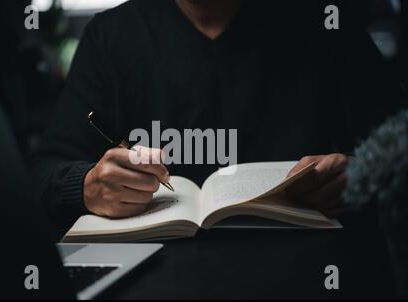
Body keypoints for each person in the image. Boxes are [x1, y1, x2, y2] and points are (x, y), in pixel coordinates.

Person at [32, 0, 405, 235]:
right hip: (148, 276)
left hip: (307, 264)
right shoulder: (110, 36)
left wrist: (359, 175)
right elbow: (43, 171)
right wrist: (86, 185)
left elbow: (398, 149)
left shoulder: (326, 24)